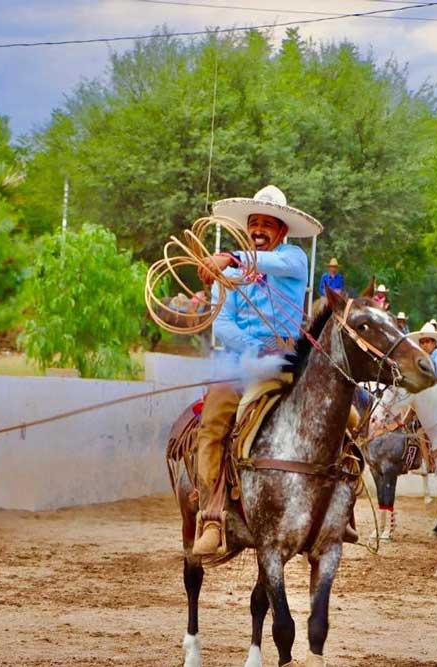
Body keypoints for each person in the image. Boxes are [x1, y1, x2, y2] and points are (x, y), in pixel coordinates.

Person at [192, 185, 322, 556]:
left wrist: (230, 257)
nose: (260, 230)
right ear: (246, 228)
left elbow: (276, 265)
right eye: (255, 224)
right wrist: (253, 350)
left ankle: (338, 505)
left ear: (281, 232)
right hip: (238, 364)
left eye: (268, 224)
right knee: (212, 425)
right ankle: (212, 517)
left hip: (289, 363)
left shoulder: (293, 259)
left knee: (342, 414)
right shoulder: (229, 274)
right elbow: (222, 324)